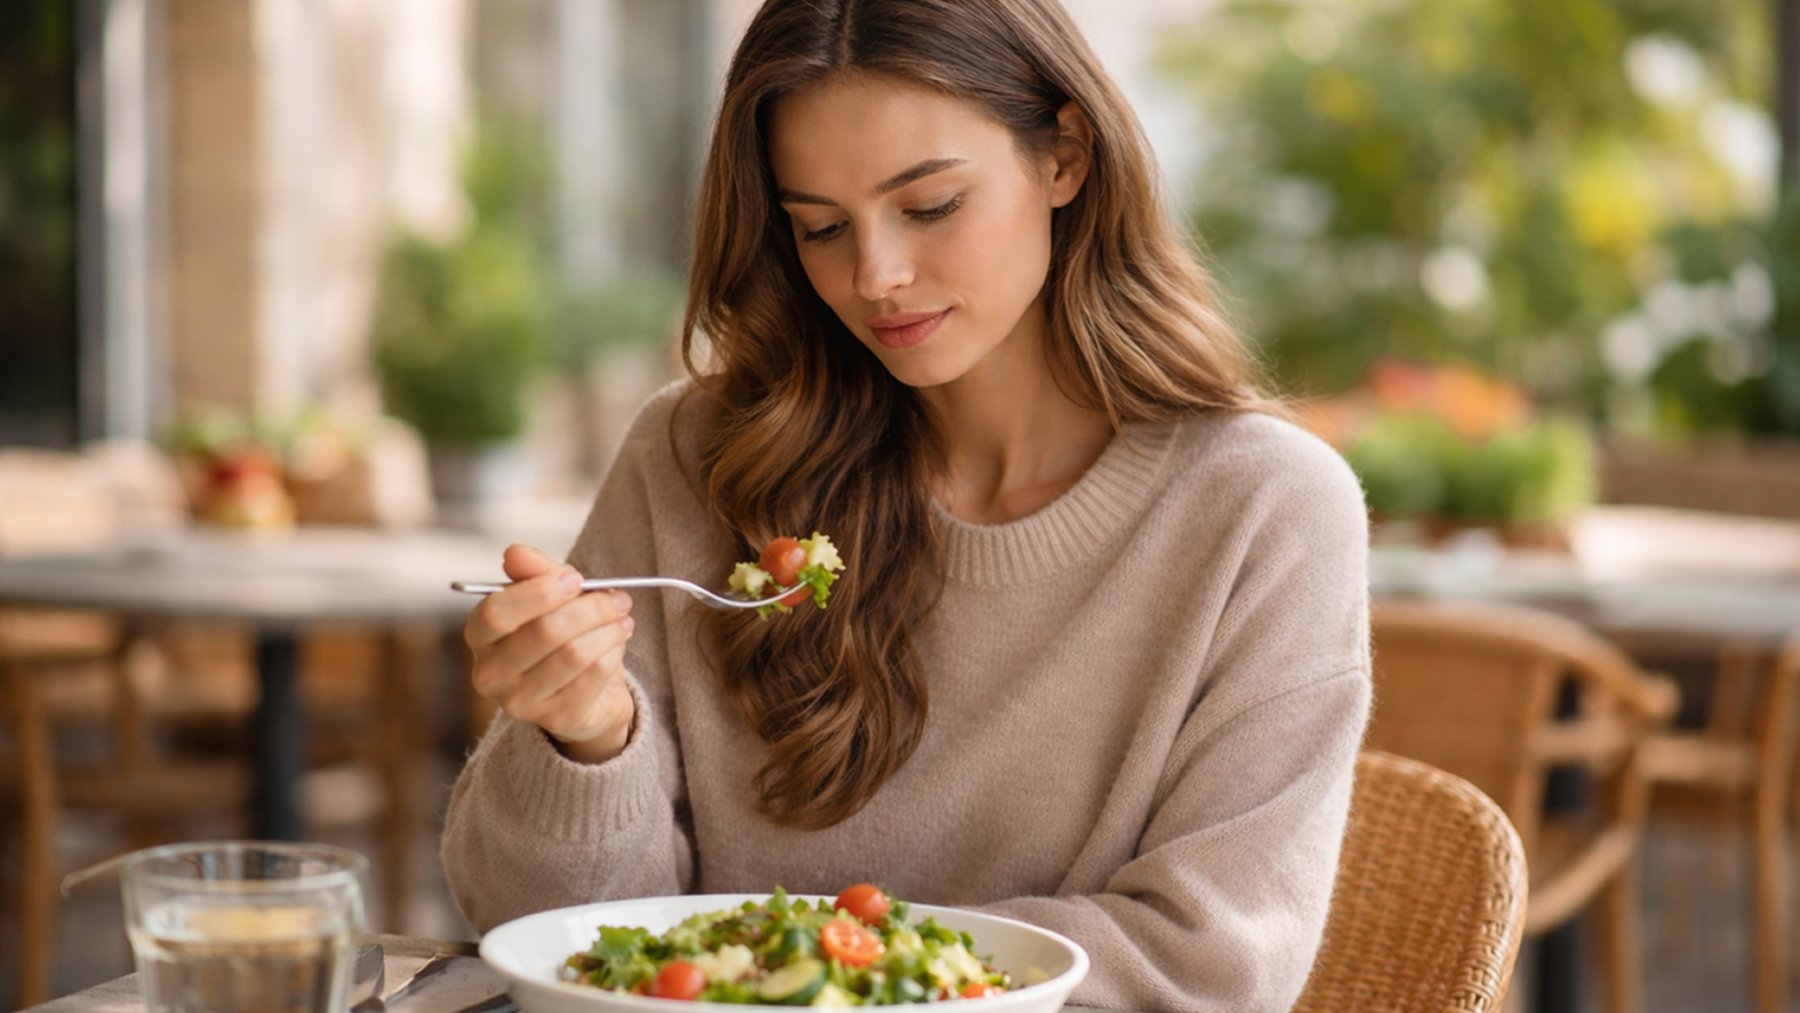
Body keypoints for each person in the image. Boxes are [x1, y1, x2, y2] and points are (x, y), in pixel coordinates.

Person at [441, 0, 1370, 1009]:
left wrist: (814, 967)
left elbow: (1211, 965)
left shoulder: (1264, 512)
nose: (875, 276)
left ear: (1066, 154)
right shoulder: (699, 457)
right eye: (820, 227)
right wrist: (584, 734)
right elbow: (542, 935)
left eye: (929, 207)